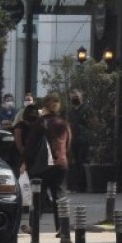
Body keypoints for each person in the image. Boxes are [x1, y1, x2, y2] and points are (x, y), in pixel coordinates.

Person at [39, 93, 72, 234]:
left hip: (44, 164)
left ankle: (34, 226)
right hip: (61, 162)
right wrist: (62, 155)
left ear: (45, 107)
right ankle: (62, 227)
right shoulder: (64, 124)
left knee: (38, 194)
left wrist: (25, 162)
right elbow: (68, 143)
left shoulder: (40, 123)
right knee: (58, 195)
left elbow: (32, 144)